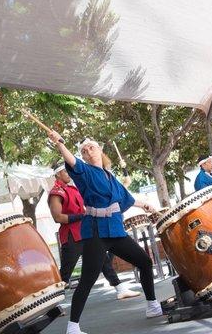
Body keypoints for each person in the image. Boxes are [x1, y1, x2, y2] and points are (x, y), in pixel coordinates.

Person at [47, 133, 163, 334]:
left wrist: (144, 204)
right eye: (84, 151)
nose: (87, 151)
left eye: (91, 147)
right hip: (96, 232)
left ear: (100, 150)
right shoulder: (84, 171)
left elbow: (125, 198)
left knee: (144, 262)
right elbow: (71, 160)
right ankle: (72, 328)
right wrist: (59, 143)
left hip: (115, 230)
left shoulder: (110, 176)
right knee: (87, 279)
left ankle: (152, 306)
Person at [48, 164, 140, 300]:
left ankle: (120, 288)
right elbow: (58, 217)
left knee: (104, 260)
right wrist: (82, 216)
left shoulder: (74, 188)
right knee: (66, 271)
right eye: (64, 171)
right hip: (72, 235)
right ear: (57, 175)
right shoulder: (56, 193)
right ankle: (53, 301)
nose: (68, 173)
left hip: (86, 231)